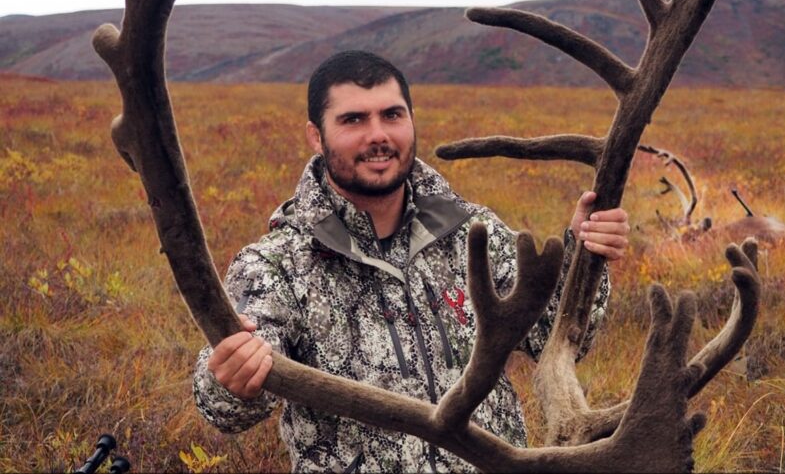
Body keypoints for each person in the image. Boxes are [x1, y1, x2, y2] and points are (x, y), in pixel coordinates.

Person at [193, 50, 629, 472]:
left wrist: (583, 255)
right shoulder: (276, 266)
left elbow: (556, 333)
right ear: (316, 136)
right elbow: (224, 408)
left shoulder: (472, 232)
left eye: (392, 115)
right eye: (353, 120)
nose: (378, 135)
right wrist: (228, 378)